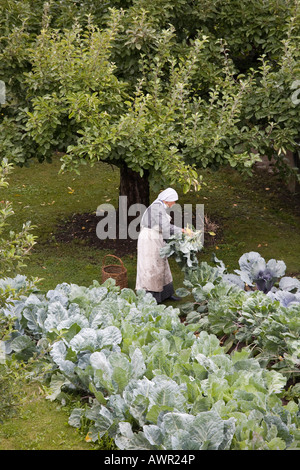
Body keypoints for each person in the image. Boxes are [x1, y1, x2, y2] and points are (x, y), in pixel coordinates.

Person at [135, 187, 185, 303]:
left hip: (156, 238)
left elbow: (165, 226)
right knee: (151, 268)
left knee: (162, 265)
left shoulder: (160, 206)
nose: (174, 203)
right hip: (149, 240)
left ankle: (166, 294)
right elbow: (166, 228)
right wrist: (178, 234)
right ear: (167, 200)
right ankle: (151, 299)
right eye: (174, 201)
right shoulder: (157, 208)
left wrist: (179, 232)